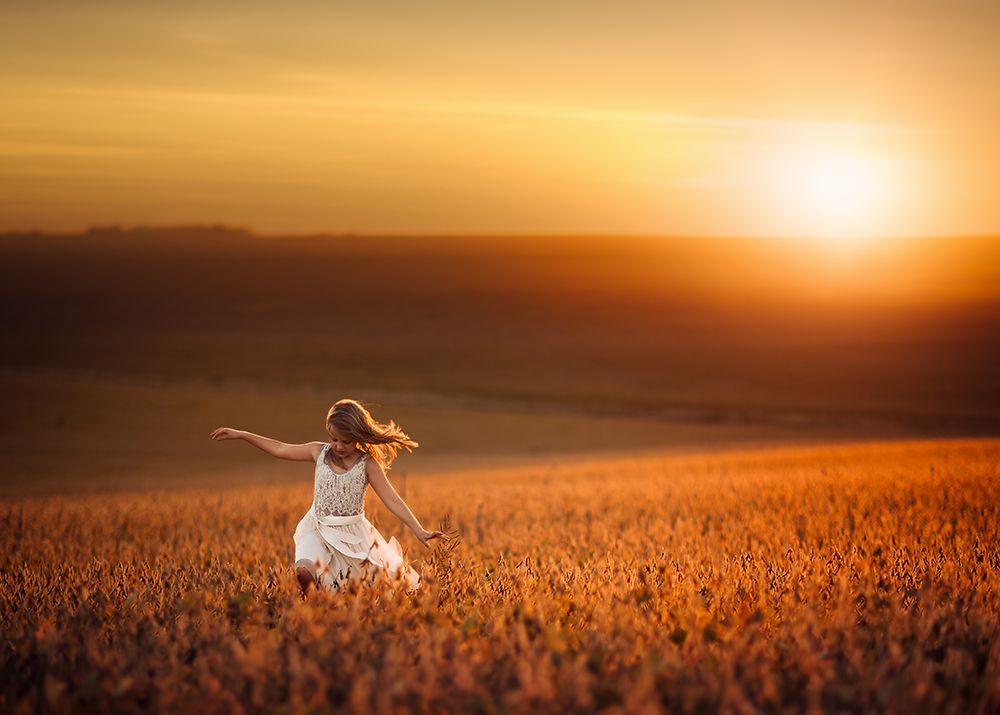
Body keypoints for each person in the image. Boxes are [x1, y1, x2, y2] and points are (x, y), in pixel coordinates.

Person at [210, 398, 449, 597]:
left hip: (352, 535)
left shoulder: (367, 464)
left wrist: (419, 530)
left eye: (346, 441)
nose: (339, 446)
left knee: (369, 588)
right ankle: (309, 606)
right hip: (317, 527)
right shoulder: (318, 451)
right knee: (304, 572)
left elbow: (392, 499)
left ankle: (329, 614)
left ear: (358, 436)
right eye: (334, 439)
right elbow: (280, 448)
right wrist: (241, 434)